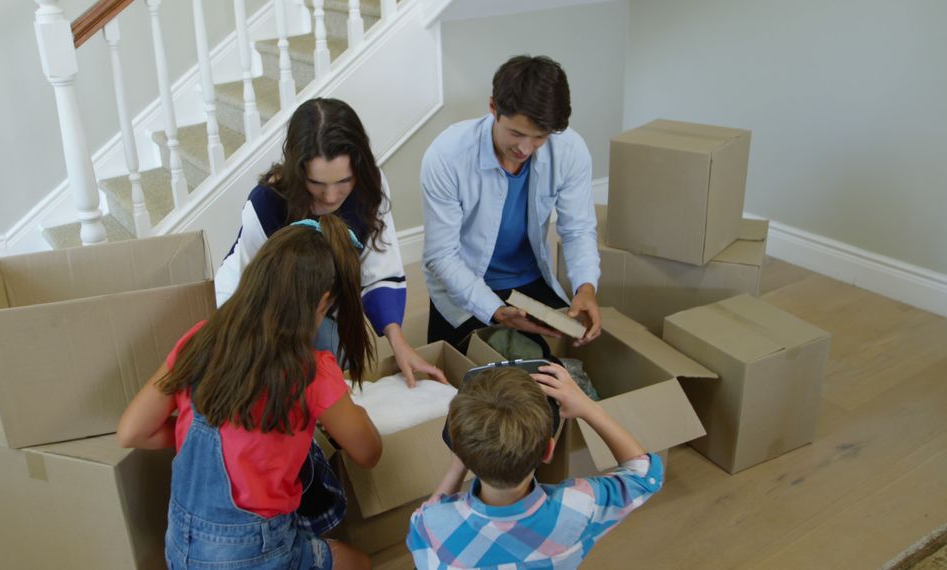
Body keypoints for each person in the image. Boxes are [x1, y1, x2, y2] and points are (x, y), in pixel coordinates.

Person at [118, 216, 382, 569]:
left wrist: (198, 432)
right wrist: (354, 415)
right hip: (254, 550)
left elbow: (132, 431)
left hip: (181, 546)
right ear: (321, 303)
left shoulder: (201, 338)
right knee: (359, 562)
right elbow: (368, 453)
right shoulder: (313, 371)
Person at [216, 97, 445, 388]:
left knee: (334, 381)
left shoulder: (371, 186)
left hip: (324, 304)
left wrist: (399, 342)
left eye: (343, 182)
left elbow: (379, 266)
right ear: (298, 172)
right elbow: (251, 296)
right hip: (256, 306)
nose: (331, 197)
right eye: (317, 184)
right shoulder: (266, 204)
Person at [421, 55, 602, 354]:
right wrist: (495, 310)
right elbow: (441, 256)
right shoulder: (447, 155)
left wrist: (586, 286)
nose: (525, 149)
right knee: (467, 383)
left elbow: (578, 230)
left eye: (539, 138)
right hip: (463, 282)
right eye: (516, 134)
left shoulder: (570, 150)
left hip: (527, 280)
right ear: (493, 108)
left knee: (555, 364)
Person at [406, 364, 663, 569]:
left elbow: (425, 519)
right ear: (549, 451)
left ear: (458, 449)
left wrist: (457, 467)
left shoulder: (430, 526)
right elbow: (645, 475)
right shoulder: (579, 506)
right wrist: (588, 408)